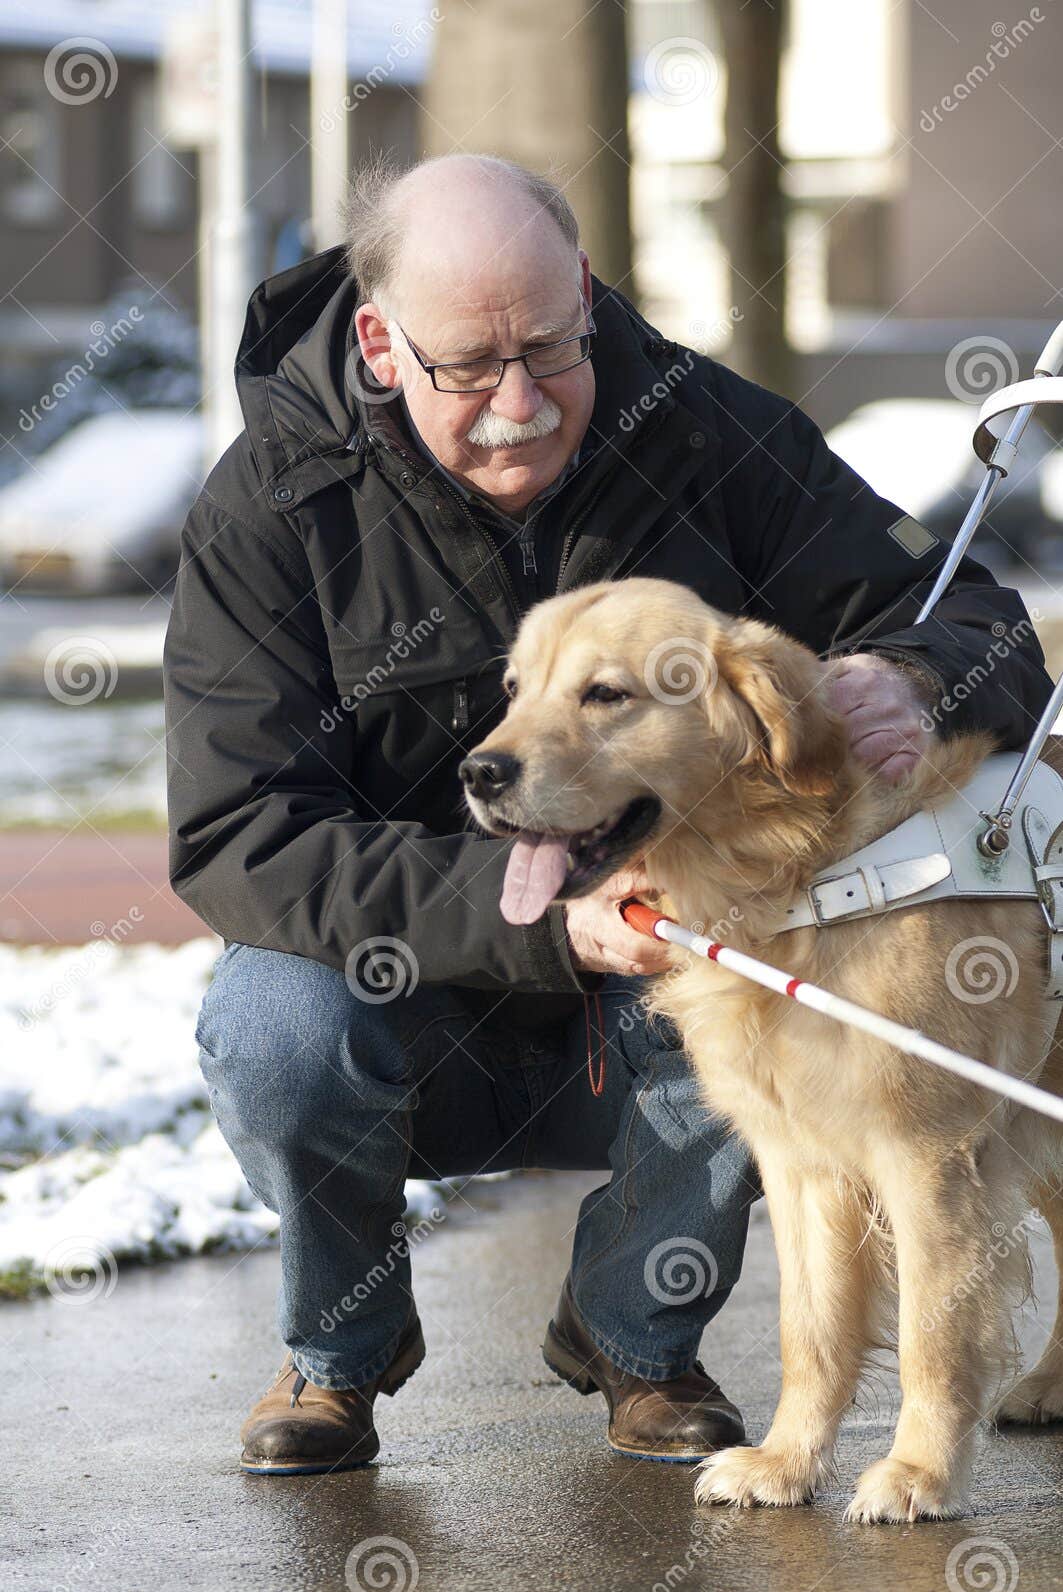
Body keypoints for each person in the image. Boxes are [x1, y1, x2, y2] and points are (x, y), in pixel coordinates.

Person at [164, 153, 1053, 1475]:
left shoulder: (707, 429)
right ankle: (336, 1360)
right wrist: (546, 929)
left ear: (585, 291)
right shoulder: (271, 509)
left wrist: (908, 679)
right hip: (417, 1008)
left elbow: (971, 617)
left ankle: (641, 1341)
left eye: (550, 347)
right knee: (271, 1021)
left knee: (769, 968)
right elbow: (241, 838)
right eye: (470, 366)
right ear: (378, 343)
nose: (520, 405)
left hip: (668, 981)